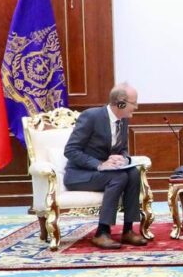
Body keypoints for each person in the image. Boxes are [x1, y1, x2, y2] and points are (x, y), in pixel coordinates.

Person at [63, 83, 147, 250]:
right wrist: (99, 165)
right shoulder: (91, 117)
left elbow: (122, 149)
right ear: (120, 103)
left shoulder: (123, 120)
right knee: (119, 177)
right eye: (134, 103)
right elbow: (70, 150)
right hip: (80, 174)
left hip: (106, 173)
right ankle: (102, 232)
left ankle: (128, 230)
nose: (136, 107)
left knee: (133, 173)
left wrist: (123, 159)